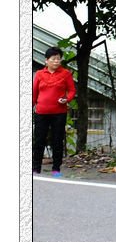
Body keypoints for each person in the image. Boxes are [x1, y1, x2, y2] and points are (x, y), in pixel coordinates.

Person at [33, 46, 76, 176]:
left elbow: (72, 90)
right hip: (41, 113)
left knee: (57, 141)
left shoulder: (66, 74)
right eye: (53, 59)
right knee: (39, 140)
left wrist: (66, 99)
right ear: (47, 60)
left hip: (59, 113)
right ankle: (36, 168)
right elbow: (34, 92)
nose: (57, 61)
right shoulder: (40, 74)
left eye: (58, 59)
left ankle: (56, 169)